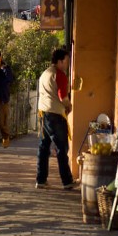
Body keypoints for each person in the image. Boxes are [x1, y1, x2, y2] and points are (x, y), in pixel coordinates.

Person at [36, 48, 75, 190]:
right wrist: (69, 105)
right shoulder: (59, 74)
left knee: (44, 147)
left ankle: (41, 179)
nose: (67, 64)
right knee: (61, 148)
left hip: (43, 113)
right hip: (56, 115)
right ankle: (67, 181)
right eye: (66, 61)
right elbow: (62, 97)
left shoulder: (45, 73)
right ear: (60, 61)